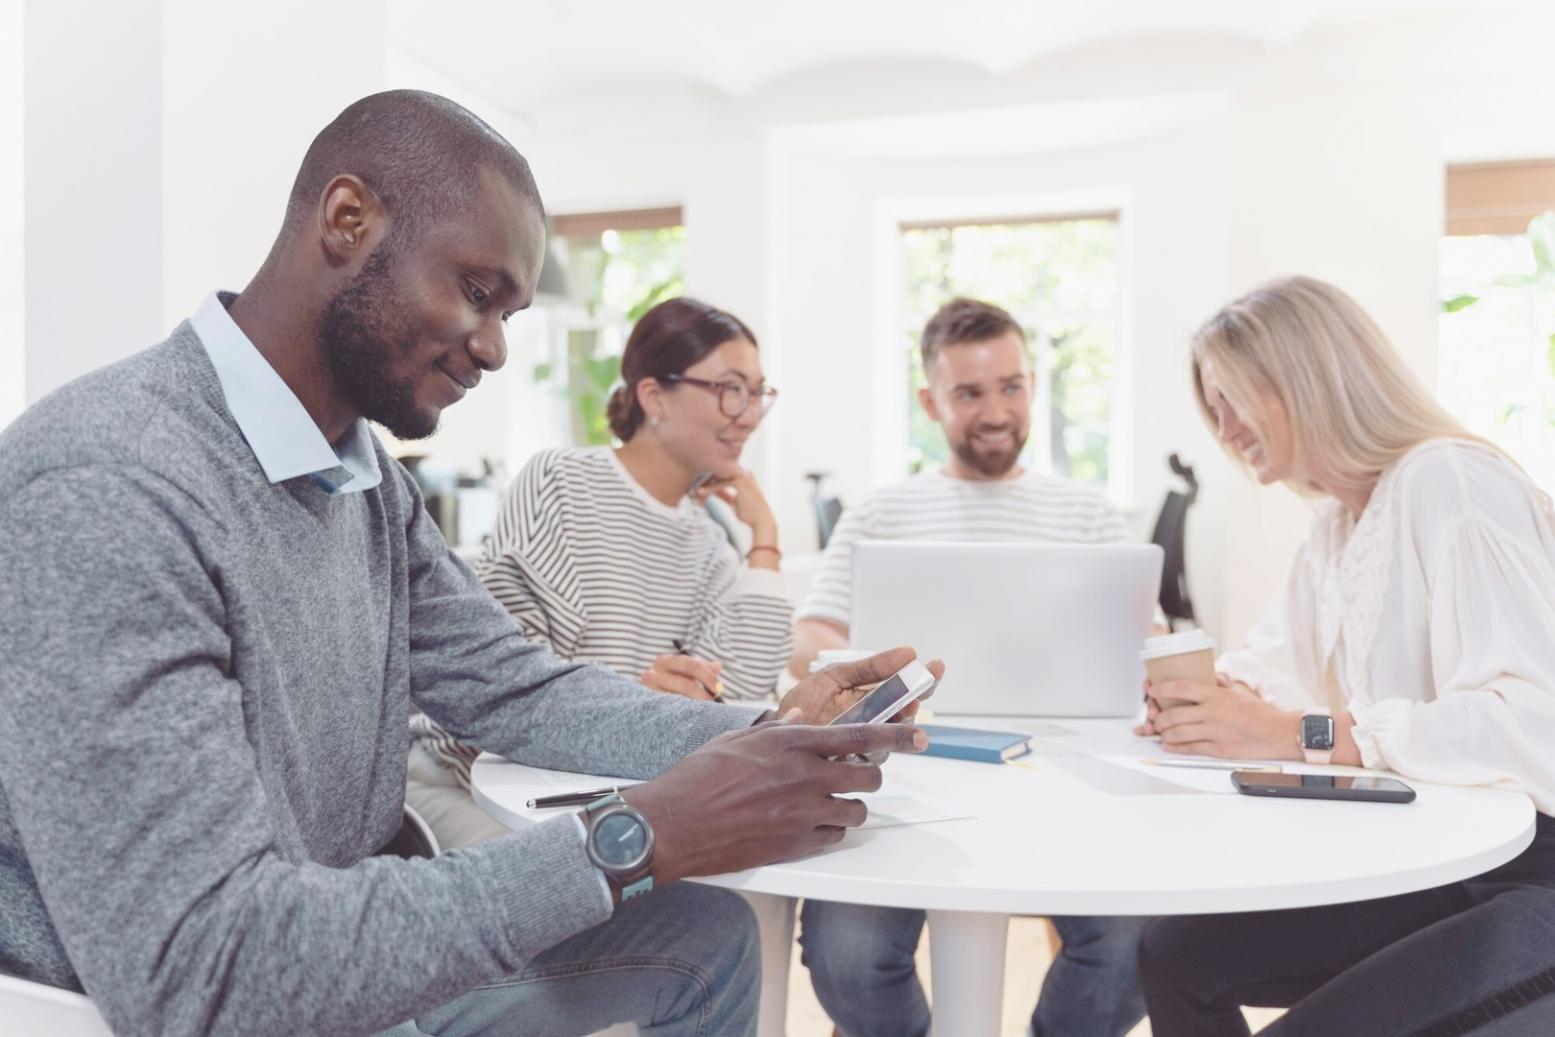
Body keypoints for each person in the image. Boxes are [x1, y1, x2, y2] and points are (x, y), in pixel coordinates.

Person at [0, 90, 933, 1037]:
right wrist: (635, 836)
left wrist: (764, 726)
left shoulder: (369, 487)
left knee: (706, 938)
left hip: (347, 947)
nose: (491, 347)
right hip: (214, 998)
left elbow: (519, 689)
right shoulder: (108, 484)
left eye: (510, 313)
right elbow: (209, 971)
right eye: (476, 293)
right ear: (347, 220)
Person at [1136, 275, 1555, 1035]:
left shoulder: (1450, 481)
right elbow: (1272, 664)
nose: (1222, 430)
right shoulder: (1337, 527)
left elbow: (1531, 725)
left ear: (1305, 381)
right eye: (1213, 409)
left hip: (1534, 873)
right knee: (1171, 954)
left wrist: (1296, 732)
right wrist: (1199, 697)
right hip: (1445, 860)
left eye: (1230, 399)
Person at [791, 297, 1149, 1037]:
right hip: (903, 771)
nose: (996, 410)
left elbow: (1138, 642)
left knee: (1133, 945)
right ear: (930, 401)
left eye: (1011, 386)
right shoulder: (883, 512)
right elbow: (812, 637)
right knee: (848, 955)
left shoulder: (1085, 514)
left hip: (1063, 775)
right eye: (970, 392)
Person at [408, 295, 793, 849]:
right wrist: (641, 709)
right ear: (654, 396)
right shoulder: (561, 483)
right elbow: (507, 692)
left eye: (758, 393)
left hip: (601, 792)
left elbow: (746, 697)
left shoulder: (709, 543)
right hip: (474, 783)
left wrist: (766, 541)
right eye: (731, 389)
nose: (750, 413)